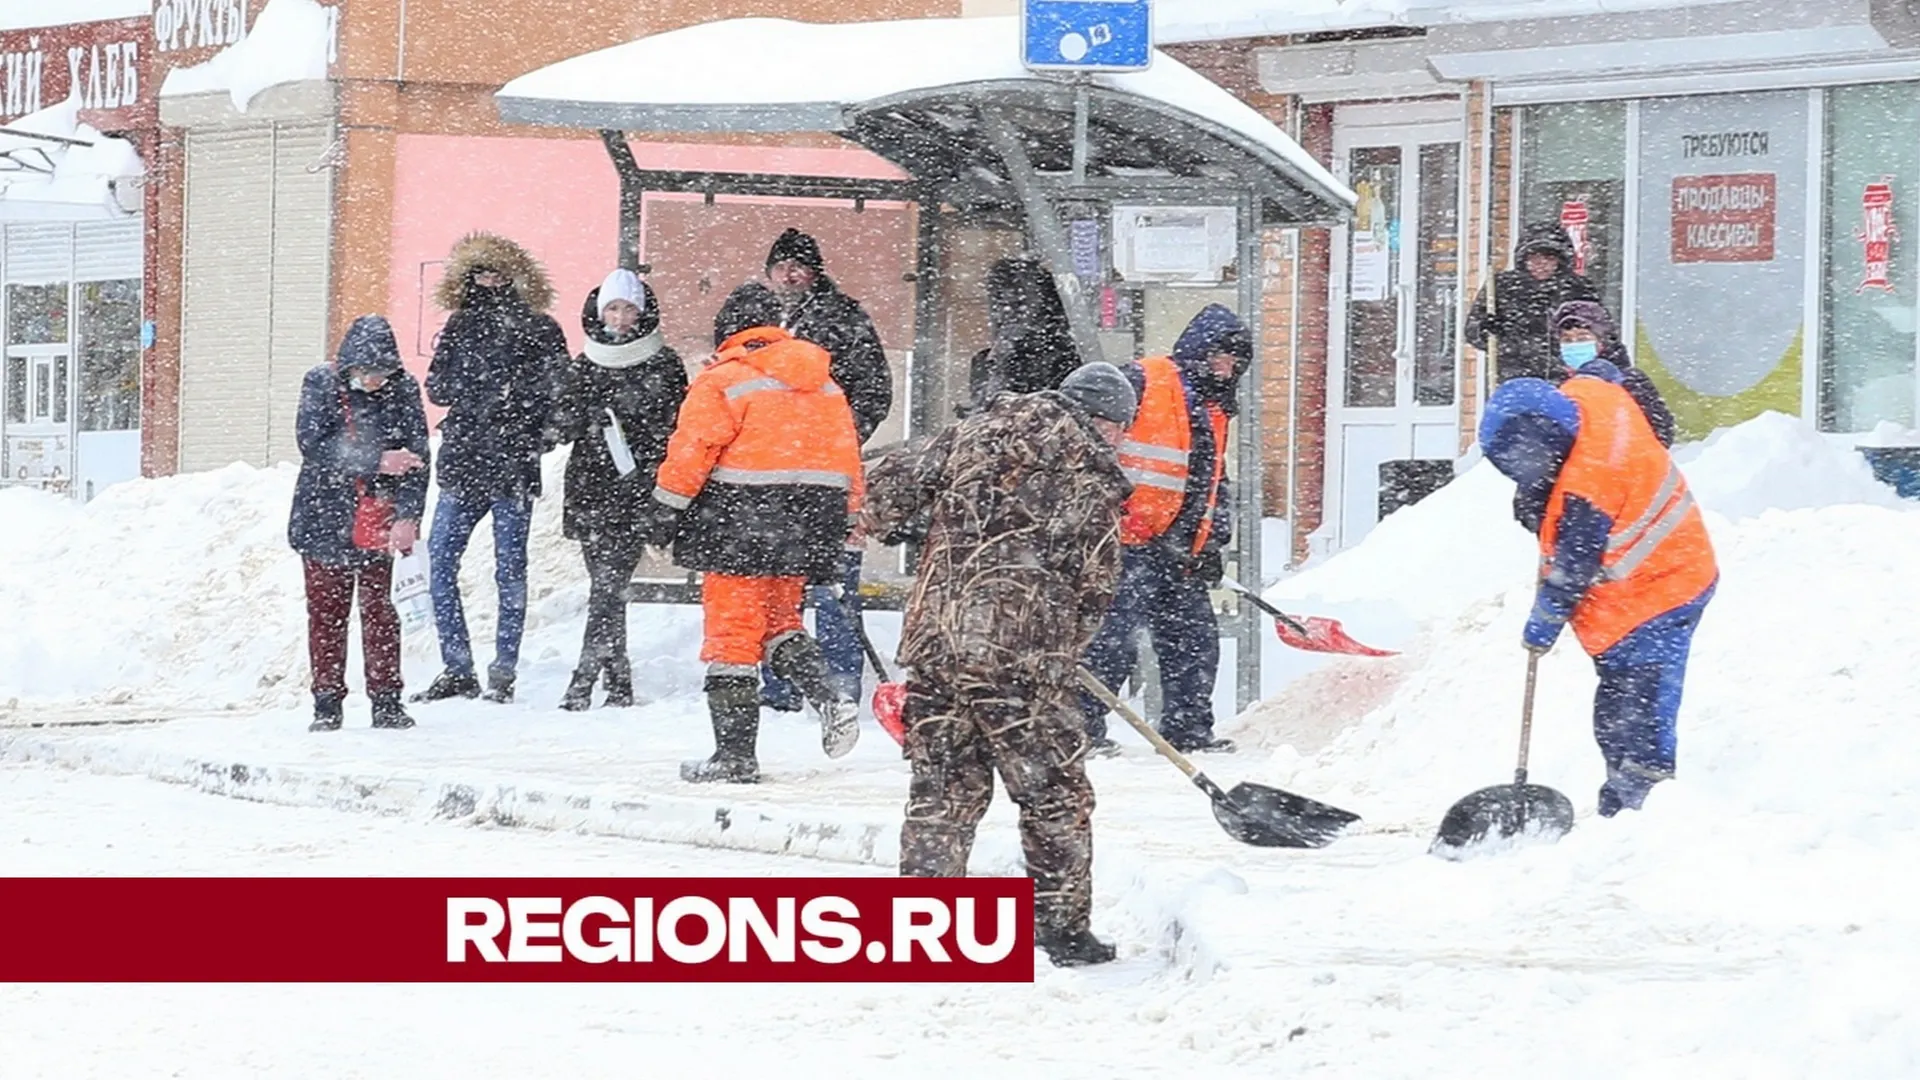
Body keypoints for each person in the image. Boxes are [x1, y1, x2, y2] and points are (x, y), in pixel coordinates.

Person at [861, 362, 1137, 968]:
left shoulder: (974, 432)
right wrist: (1063, 644)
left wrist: (929, 526)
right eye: (1122, 429)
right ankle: (1062, 929)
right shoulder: (1088, 472)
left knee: (942, 790)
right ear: (1105, 422)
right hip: (1021, 656)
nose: (1121, 442)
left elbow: (882, 495)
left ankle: (924, 924)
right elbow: (1095, 582)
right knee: (1053, 793)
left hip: (936, 643)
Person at [654, 282, 866, 783]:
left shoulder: (724, 380)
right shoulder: (825, 384)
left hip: (739, 522)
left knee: (732, 637)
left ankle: (734, 756)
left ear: (729, 332)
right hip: (807, 526)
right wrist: (847, 518)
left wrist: (665, 510)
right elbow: (847, 458)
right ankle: (831, 698)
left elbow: (694, 450)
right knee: (779, 624)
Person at [1478, 376, 1718, 816]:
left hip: (1663, 590)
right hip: (1655, 576)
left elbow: (1571, 573)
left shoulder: (1588, 489)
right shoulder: (1589, 396)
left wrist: (1542, 625)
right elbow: (1601, 373)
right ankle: (1627, 792)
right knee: (1617, 707)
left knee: (1638, 707)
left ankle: (1642, 802)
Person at [1079, 304, 1250, 755]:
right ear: (1198, 349)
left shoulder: (1215, 411)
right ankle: (1079, 730)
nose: (1226, 367)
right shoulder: (1143, 381)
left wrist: (1211, 542)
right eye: (1221, 355)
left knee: (1194, 642)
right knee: (1109, 643)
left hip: (1179, 553)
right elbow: (1088, 450)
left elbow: (1212, 483)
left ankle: (1188, 730)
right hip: (1125, 544)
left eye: (1236, 362)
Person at [414, 232, 570, 706]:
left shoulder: (541, 328)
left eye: (498, 273)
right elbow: (436, 387)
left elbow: (562, 394)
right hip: (464, 460)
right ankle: (457, 667)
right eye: (481, 273)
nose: (490, 281)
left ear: (516, 276)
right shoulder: (459, 325)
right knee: (438, 563)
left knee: (510, 570)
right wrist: (482, 385)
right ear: (467, 278)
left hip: (513, 465)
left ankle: (503, 671)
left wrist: (532, 424)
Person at [759, 228, 893, 715]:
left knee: (833, 582)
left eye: (799, 266)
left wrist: (835, 438)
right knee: (776, 583)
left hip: (826, 477)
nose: (790, 274)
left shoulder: (843, 319)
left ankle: (839, 685)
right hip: (767, 476)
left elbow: (876, 390)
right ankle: (780, 684)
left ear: (815, 273)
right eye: (782, 266)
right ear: (769, 273)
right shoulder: (757, 319)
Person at [549, 269, 689, 711]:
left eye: (629, 309)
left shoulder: (663, 362)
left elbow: (676, 424)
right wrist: (587, 417)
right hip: (591, 487)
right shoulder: (585, 362)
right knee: (606, 586)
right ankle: (619, 678)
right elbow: (562, 424)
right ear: (598, 311)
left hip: (637, 487)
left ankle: (584, 678)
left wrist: (634, 427)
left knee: (609, 585)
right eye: (612, 307)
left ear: (643, 313)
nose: (620, 317)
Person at [288, 315, 431, 732]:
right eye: (366, 373)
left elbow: (418, 456)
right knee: (326, 614)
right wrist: (376, 460)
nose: (374, 381)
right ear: (349, 364)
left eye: (381, 373)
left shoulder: (403, 389)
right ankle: (327, 702)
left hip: (379, 516)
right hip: (323, 515)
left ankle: (387, 700)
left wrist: (409, 515)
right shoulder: (321, 382)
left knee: (382, 612)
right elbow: (312, 443)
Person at [1466, 222, 1602, 384]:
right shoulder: (1502, 287)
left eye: (1549, 258)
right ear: (1524, 259)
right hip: (1516, 378)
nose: (1541, 264)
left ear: (1560, 260)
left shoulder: (1579, 288)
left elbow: (1603, 332)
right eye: (1534, 258)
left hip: (1568, 378)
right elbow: (1472, 330)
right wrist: (1485, 329)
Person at [1551, 300, 1675, 448]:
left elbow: (1662, 431)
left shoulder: (1628, 380)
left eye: (1583, 338)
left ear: (1601, 342)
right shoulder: (1557, 385)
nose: (1574, 344)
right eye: (1567, 340)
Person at [963, 257, 1079, 412]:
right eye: (997, 303)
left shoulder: (1063, 358)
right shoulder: (986, 362)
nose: (1003, 314)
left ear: (1046, 309)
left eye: (1017, 304)